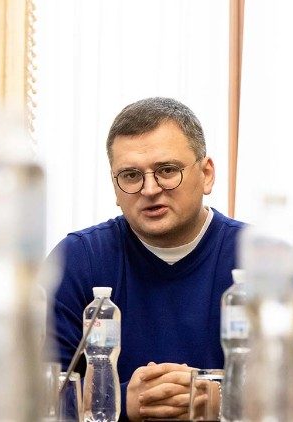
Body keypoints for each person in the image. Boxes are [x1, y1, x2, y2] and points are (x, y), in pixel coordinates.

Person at [48, 97, 245, 421]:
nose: (150, 189)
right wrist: (122, 400)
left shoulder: (263, 259)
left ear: (207, 174)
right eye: (130, 175)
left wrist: (222, 401)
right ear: (115, 187)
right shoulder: (78, 259)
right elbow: (35, 395)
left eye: (167, 170)